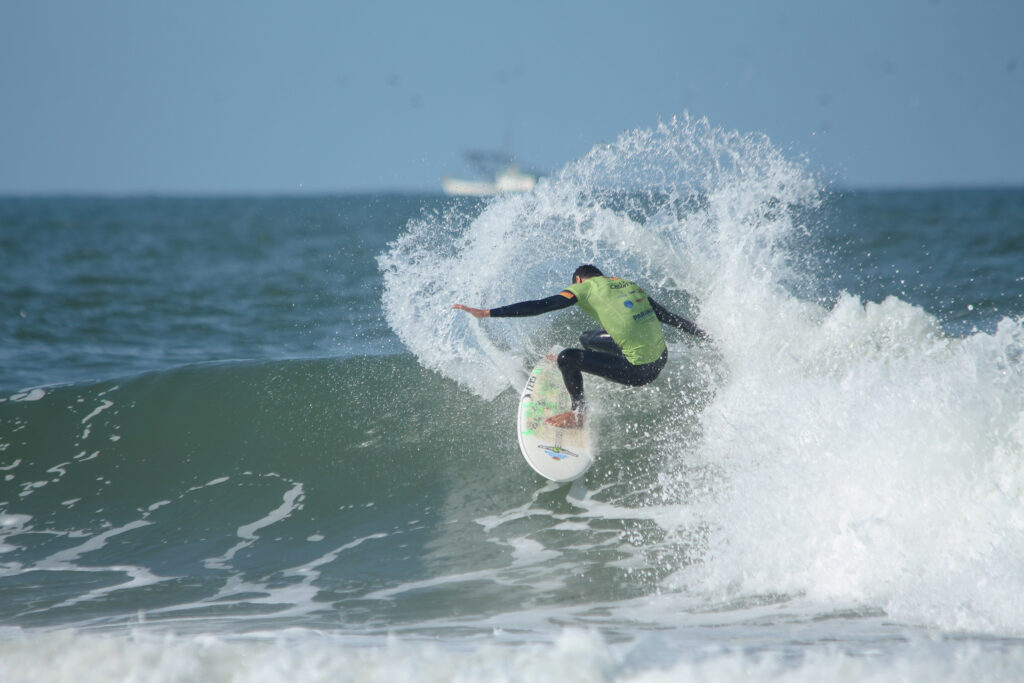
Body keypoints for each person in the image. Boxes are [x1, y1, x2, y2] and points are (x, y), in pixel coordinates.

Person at [452, 264, 707, 429]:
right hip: (660, 357)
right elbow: (667, 316)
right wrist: (705, 335)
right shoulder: (627, 283)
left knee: (567, 358)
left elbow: (541, 305)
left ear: (578, 280)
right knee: (587, 338)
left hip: (639, 371)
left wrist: (487, 312)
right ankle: (593, 366)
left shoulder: (582, 289)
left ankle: (577, 414)